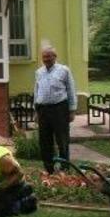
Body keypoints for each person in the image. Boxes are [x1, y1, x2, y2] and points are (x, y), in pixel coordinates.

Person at [33, 46, 77, 175]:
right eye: (44, 57)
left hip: (59, 108)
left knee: (62, 140)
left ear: (54, 57)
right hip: (43, 110)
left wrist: (72, 110)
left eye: (48, 56)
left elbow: (71, 89)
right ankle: (49, 168)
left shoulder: (64, 70)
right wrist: (35, 110)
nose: (46, 59)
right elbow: (36, 91)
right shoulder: (39, 72)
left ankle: (65, 168)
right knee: (45, 141)